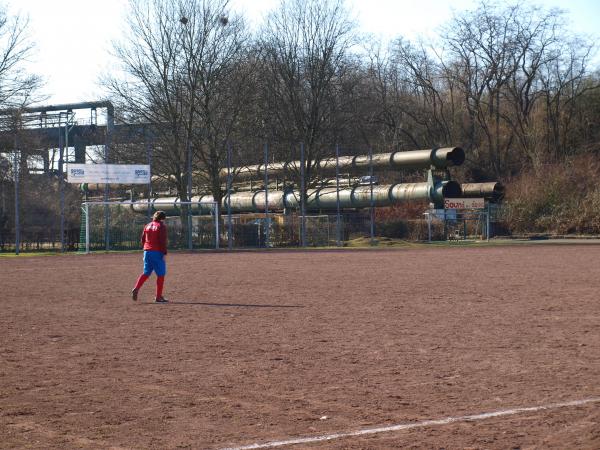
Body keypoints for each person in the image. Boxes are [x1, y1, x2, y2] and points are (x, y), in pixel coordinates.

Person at [131, 211, 169, 303]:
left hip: (147, 252)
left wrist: (147, 248)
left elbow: (143, 239)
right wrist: (164, 253)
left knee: (146, 272)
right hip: (157, 252)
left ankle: (136, 288)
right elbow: (162, 241)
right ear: (163, 219)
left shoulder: (147, 225)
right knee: (161, 275)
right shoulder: (161, 226)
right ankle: (158, 297)